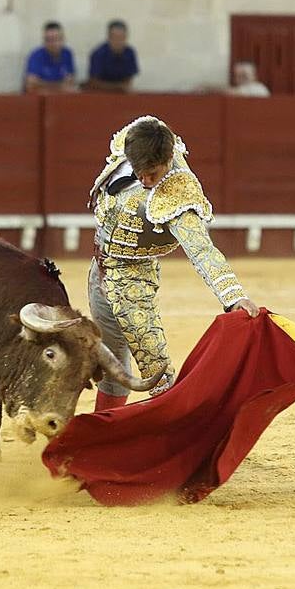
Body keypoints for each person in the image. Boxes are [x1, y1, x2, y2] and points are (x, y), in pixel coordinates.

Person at [86, 116, 259, 411]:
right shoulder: (137, 140)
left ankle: (179, 441)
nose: (145, 180)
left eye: (152, 173)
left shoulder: (178, 193)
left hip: (133, 281)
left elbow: (202, 250)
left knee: (157, 374)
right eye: (140, 171)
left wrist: (233, 296)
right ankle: (103, 434)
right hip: (98, 270)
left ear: (167, 159)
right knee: (111, 360)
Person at [84, 20, 139, 92]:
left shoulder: (130, 53)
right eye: (115, 37)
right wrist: (118, 87)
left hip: (121, 94)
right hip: (99, 93)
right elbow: (94, 82)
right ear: (108, 37)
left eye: (122, 38)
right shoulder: (98, 54)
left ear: (126, 37)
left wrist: (124, 87)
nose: (118, 42)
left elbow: (129, 79)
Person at [23, 21, 76, 93]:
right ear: (44, 41)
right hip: (40, 98)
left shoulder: (67, 54)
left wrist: (44, 84)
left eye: (56, 39)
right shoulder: (36, 55)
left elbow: (70, 82)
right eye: (49, 40)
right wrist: (59, 86)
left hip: (60, 98)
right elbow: (31, 84)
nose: (53, 43)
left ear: (63, 39)